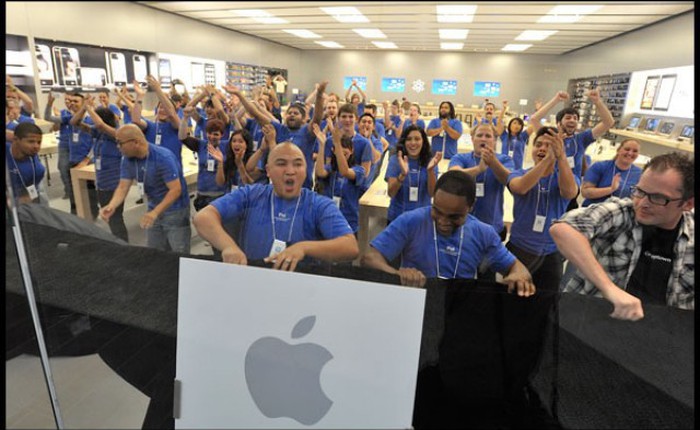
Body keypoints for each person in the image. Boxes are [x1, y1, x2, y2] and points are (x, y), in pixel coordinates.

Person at [551, 152, 694, 320]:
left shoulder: (690, 236)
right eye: (640, 191)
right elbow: (563, 229)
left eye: (657, 197)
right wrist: (609, 289)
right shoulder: (622, 212)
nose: (642, 203)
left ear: (687, 204)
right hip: (591, 326)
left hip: (659, 337)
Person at [361, 169, 535, 296]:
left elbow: (519, 269)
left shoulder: (483, 233)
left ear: (470, 207)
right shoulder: (411, 221)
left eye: (454, 217)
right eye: (437, 211)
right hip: (416, 304)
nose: (443, 221)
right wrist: (398, 274)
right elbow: (369, 259)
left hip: (459, 310)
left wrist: (518, 276)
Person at [192, 142, 359, 270]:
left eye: (298, 164)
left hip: (302, 288)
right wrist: (229, 247)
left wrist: (303, 248)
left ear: (306, 169)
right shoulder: (251, 194)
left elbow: (350, 247)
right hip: (254, 281)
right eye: (281, 164)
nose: (290, 171)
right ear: (268, 170)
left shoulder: (318, 204)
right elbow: (203, 217)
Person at [506, 126, 579, 293]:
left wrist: (560, 158)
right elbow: (521, 188)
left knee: (546, 302)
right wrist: (548, 159)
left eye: (548, 145)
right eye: (538, 145)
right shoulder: (519, 173)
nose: (542, 149)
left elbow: (569, 193)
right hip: (519, 249)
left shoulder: (567, 177)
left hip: (551, 253)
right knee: (511, 299)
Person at [100, 124, 191, 253]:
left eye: (120, 143)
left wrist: (155, 212)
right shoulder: (127, 159)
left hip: (175, 211)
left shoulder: (163, 158)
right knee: (154, 251)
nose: (118, 147)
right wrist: (112, 205)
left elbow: (175, 190)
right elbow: (122, 186)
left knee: (179, 253)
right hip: (153, 209)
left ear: (136, 142)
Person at [448, 123, 514, 277]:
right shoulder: (461, 157)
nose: (483, 139)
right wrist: (479, 169)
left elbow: (509, 180)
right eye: (479, 135)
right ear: (472, 139)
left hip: (491, 229)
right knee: (460, 275)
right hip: (462, 228)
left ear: (494, 140)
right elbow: (453, 176)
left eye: (488, 136)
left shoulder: (504, 160)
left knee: (487, 278)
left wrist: (492, 162)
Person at [534, 89, 615, 210]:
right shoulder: (550, 136)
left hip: (571, 189)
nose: (572, 120)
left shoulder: (582, 139)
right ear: (558, 123)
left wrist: (597, 102)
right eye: (568, 118)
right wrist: (556, 100)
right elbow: (534, 120)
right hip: (548, 185)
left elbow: (608, 122)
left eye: (575, 118)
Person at [81, 98, 129, 242]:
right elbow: (75, 123)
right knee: (111, 218)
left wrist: (88, 108)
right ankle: (118, 243)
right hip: (102, 183)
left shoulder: (116, 133)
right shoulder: (98, 134)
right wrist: (83, 109)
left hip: (114, 183)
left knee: (115, 218)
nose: (92, 121)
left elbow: (100, 125)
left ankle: (123, 246)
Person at [313, 121, 369, 234]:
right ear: (333, 151)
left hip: (349, 222)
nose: (342, 157)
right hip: (329, 218)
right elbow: (320, 172)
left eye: (345, 154)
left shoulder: (359, 170)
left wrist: (337, 144)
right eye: (339, 153)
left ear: (352, 151)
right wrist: (322, 146)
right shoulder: (331, 168)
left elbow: (345, 172)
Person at [385, 125, 442, 224]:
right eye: (409, 139)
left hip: (422, 219)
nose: (413, 143)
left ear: (423, 141)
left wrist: (430, 171)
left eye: (417, 139)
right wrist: (402, 176)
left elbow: (432, 193)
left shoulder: (430, 161)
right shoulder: (396, 160)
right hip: (398, 218)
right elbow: (391, 193)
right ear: (404, 142)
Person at [178, 110, 229, 211]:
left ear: (222, 135)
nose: (212, 137)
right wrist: (184, 118)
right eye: (209, 133)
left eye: (216, 134)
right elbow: (182, 137)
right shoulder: (201, 144)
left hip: (220, 194)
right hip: (202, 193)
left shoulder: (226, 146)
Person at [130, 75, 183, 167]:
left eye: (165, 108)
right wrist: (139, 96)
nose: (162, 110)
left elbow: (171, 114)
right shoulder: (151, 126)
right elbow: (136, 120)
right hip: (153, 172)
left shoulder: (176, 126)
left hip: (172, 171)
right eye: (160, 107)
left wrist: (158, 90)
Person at [581, 138, 642, 206]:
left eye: (635, 151)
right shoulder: (599, 166)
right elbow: (585, 192)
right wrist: (611, 189)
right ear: (618, 150)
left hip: (618, 214)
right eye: (627, 149)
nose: (630, 153)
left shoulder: (640, 174)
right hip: (592, 211)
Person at [6, 122, 47, 205]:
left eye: (39, 142)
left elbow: (27, 197)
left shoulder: (38, 170)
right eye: (31, 142)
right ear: (15, 140)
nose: (36, 146)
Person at [43, 92, 74, 199]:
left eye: (71, 100)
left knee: (75, 169)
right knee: (62, 167)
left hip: (77, 146)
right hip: (64, 144)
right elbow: (49, 119)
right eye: (66, 100)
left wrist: (58, 117)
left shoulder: (75, 114)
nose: (68, 102)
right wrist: (49, 103)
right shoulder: (64, 114)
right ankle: (69, 191)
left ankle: (78, 191)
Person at [495, 100, 535, 170]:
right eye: (515, 123)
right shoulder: (504, 136)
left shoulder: (523, 136)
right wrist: (504, 109)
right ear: (510, 125)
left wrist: (537, 110)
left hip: (517, 168)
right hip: (504, 167)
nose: (517, 125)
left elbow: (534, 124)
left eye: (519, 124)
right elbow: (499, 122)